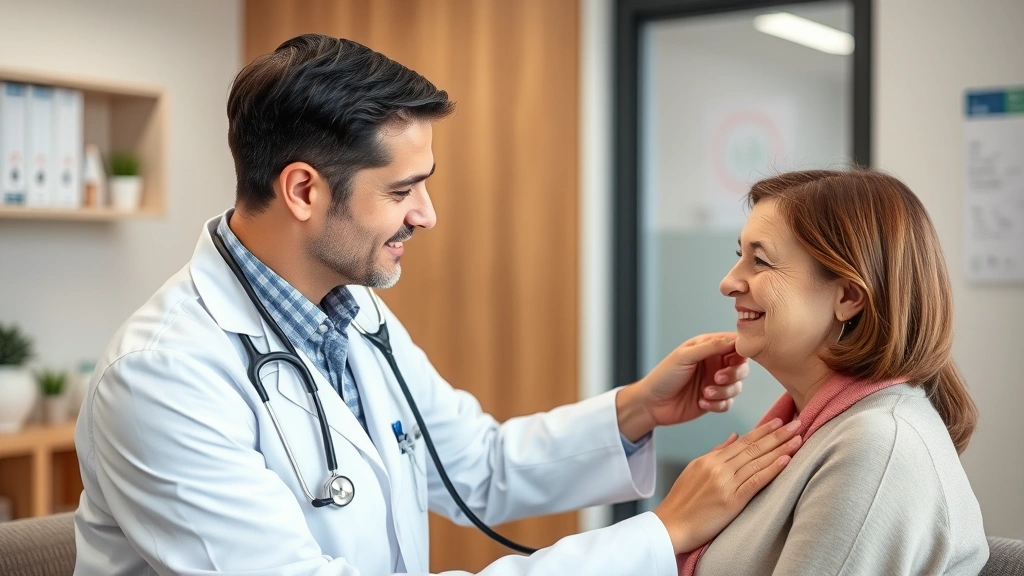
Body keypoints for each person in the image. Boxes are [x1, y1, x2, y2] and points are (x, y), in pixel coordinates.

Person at [72, 35, 801, 576]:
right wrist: (656, 535)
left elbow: (472, 466)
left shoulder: (352, 315)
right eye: (400, 191)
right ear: (302, 191)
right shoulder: (164, 377)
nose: (427, 214)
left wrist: (638, 409)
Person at [676, 170, 989, 575]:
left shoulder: (876, 448)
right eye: (739, 257)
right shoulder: (818, 429)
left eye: (761, 261)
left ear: (847, 298)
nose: (729, 282)